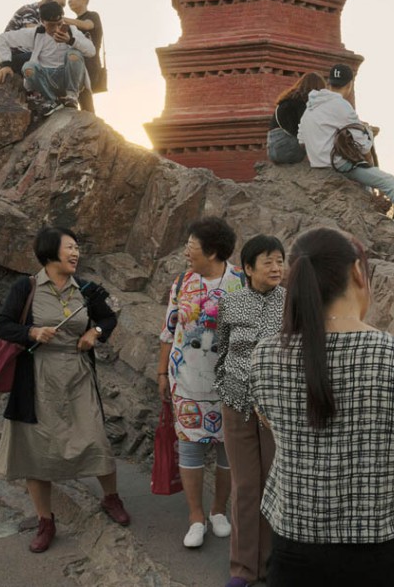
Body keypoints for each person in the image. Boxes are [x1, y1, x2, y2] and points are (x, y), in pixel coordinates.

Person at [250, 227, 394, 585]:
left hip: (295, 554)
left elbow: (274, 427)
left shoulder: (265, 357)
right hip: (386, 556)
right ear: (356, 273)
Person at [0, 226, 129, 553]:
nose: (75, 253)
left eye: (77, 247)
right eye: (70, 247)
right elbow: (3, 325)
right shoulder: (25, 287)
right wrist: (32, 332)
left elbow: (109, 317)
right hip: (36, 378)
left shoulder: (86, 289)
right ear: (51, 251)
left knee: (95, 435)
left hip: (77, 374)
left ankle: (111, 498)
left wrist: (94, 333)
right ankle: (45, 521)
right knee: (34, 450)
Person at [157, 217, 246, 548]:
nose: (186, 253)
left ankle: (218, 511)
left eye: (192, 247)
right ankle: (196, 517)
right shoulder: (181, 282)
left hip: (229, 383)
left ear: (212, 252)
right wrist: (162, 372)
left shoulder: (239, 281)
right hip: (188, 380)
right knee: (191, 447)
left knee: (227, 449)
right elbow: (168, 330)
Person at [215, 235, 286, 587]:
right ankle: (242, 570)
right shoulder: (231, 303)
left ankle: (272, 565)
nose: (276, 268)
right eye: (268, 262)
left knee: (275, 486)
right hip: (236, 405)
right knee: (246, 486)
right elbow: (222, 347)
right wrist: (225, 388)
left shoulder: (293, 304)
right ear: (248, 268)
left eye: (279, 261)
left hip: (276, 412)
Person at [298, 64, 394, 239]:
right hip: (338, 166)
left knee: (366, 181)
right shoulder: (341, 105)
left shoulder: (310, 107)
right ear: (350, 85)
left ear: (329, 83)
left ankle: (373, 214)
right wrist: (368, 131)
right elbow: (364, 146)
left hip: (318, 166)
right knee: (389, 182)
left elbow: (301, 140)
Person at [0, 1, 95, 116]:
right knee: (28, 67)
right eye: (51, 25)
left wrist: (70, 41)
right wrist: (6, 64)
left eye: (59, 24)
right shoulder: (35, 33)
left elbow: (91, 51)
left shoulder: (72, 31)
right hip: (47, 79)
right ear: (42, 22)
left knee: (74, 55)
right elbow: (1, 39)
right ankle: (51, 101)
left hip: (68, 78)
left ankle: (71, 96)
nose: (56, 29)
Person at [268, 72, 325, 164]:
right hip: (287, 150)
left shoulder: (289, 100)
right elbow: (308, 130)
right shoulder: (301, 104)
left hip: (274, 151)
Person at [64, 0, 103, 114]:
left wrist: (61, 19)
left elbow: (87, 25)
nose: (69, 0)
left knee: (85, 101)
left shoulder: (92, 16)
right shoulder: (72, 23)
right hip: (74, 63)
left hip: (90, 64)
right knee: (80, 100)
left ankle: (91, 127)